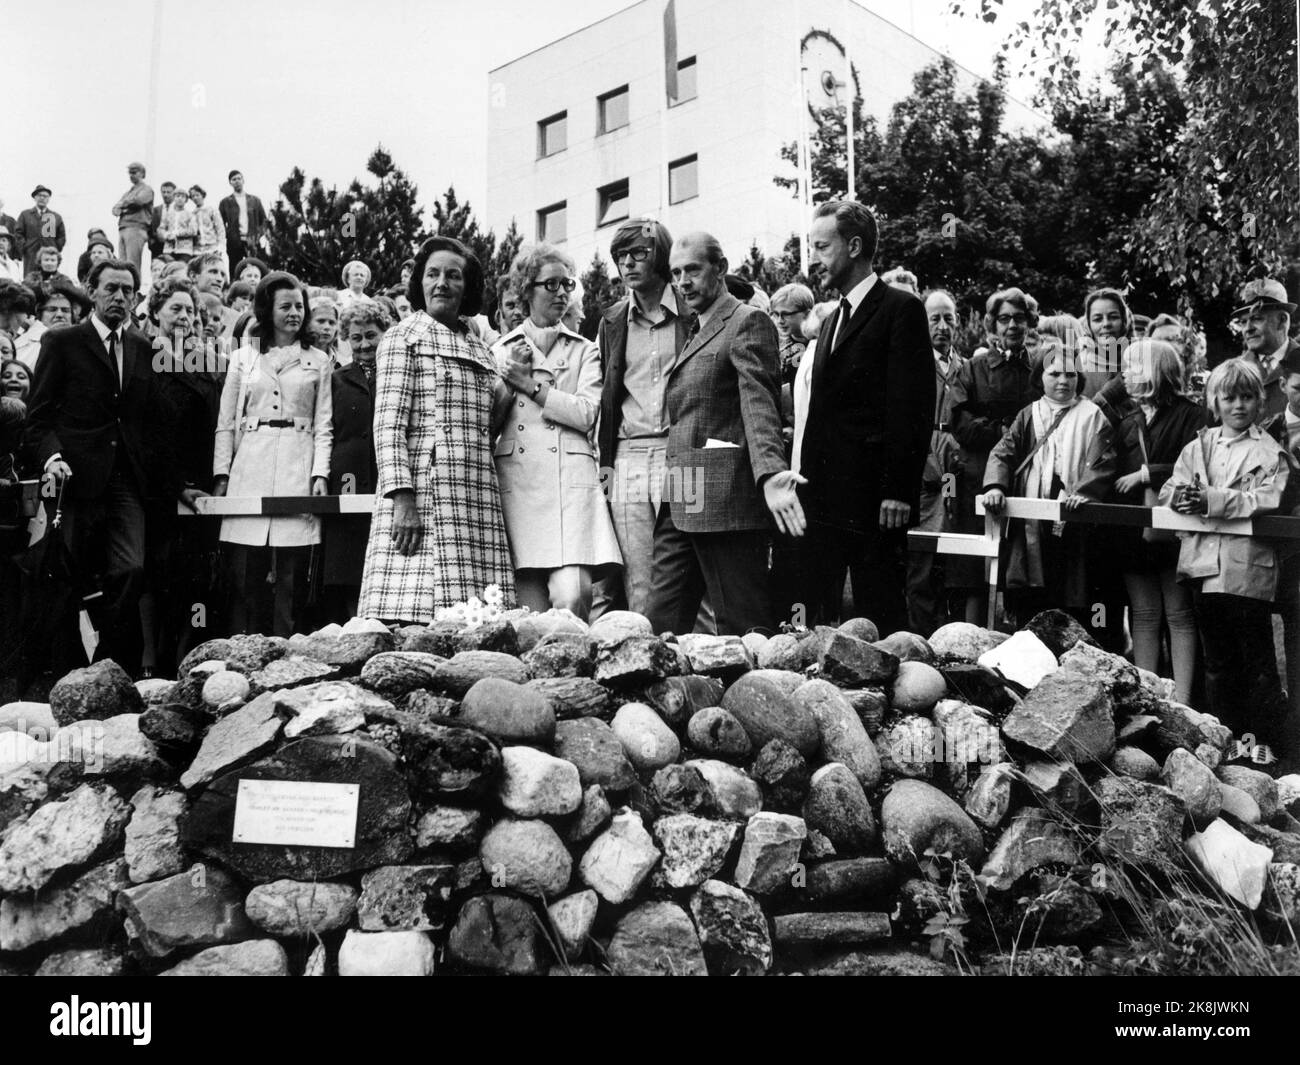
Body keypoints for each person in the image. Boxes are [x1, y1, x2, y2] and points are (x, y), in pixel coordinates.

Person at [24, 259, 202, 674]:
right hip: (75, 480)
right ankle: (61, 674)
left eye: (127, 290)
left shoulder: (144, 348)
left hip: (127, 482)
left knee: (130, 569)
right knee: (69, 577)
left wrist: (179, 485)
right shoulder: (62, 342)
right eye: (111, 289)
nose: (119, 297)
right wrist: (53, 458)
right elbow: (39, 417)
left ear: (137, 298)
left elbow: (156, 428)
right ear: (92, 291)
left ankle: (107, 667)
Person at [641, 231, 803, 636]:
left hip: (726, 502)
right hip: (679, 496)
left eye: (693, 270)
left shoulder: (748, 321)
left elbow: (758, 406)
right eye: (676, 273)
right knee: (660, 629)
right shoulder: (695, 328)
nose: (683, 281)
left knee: (745, 630)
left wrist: (769, 476)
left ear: (721, 268)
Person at [358, 236, 516, 622]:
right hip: (422, 496)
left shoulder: (481, 350)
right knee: (411, 621)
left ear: (468, 286)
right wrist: (402, 500)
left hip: (476, 492)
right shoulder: (402, 337)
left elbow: (487, 425)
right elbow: (388, 425)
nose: (441, 283)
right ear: (420, 283)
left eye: (453, 275)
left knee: (478, 623)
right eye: (432, 274)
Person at [800, 201, 933, 634]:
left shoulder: (901, 309)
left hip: (877, 503)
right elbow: (821, 414)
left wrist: (897, 490)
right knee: (822, 620)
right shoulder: (831, 320)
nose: (813, 259)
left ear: (854, 246)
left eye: (821, 246)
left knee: (881, 618)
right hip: (823, 500)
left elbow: (911, 407)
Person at [1161, 359, 1293, 768]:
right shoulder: (1198, 446)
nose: (1239, 405)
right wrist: (1181, 496)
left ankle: (1264, 745)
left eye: (1248, 396)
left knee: (1257, 664)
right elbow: (1171, 487)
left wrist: (1211, 501)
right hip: (1203, 567)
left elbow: (1265, 501)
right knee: (1217, 664)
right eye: (1229, 397)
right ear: (1214, 401)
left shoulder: (1270, 452)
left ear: (1260, 400)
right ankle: (1227, 741)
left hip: (1247, 569)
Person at [490, 245, 620, 618]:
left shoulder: (585, 350)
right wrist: (507, 382)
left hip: (569, 481)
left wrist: (532, 386)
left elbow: (586, 413)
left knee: (573, 594)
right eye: (551, 285)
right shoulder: (501, 350)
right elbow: (489, 424)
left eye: (568, 283)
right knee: (525, 608)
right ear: (526, 291)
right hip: (520, 484)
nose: (563, 293)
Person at [212, 272, 331, 637]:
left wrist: (320, 474)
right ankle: (245, 648)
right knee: (247, 567)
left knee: (292, 571)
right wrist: (221, 475)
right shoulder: (243, 358)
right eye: (285, 306)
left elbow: (324, 422)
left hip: (298, 462)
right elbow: (226, 422)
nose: (294, 313)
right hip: (250, 464)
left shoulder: (319, 360)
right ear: (267, 310)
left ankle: (289, 649)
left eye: (299, 306)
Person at [595, 218, 693, 616]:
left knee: (689, 567)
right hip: (629, 455)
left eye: (640, 253)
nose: (629, 263)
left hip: (683, 452)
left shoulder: (690, 310)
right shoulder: (612, 320)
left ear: (661, 255)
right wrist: (606, 464)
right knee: (638, 576)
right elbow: (607, 393)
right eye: (621, 256)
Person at [982, 341, 1117, 626]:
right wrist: (996, 486)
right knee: (1030, 592)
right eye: (1054, 374)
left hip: (1072, 517)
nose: (1063, 381)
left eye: (1070, 374)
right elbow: (1002, 452)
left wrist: (1084, 493)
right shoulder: (1029, 414)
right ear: (1040, 377)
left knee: (1070, 590)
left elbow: (1104, 461)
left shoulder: (1092, 415)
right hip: (1030, 520)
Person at [1110, 340, 1210, 704]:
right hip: (1134, 535)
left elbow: (1199, 465)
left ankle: (1182, 703)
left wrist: (1146, 474)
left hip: (1177, 532)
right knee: (1145, 614)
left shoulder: (1193, 415)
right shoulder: (1127, 419)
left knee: (1180, 615)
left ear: (1156, 371)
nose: (1125, 373)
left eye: (1133, 366)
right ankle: (1147, 698)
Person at [144, 276, 225, 672]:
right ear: (156, 311)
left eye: (190, 310)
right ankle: (153, 665)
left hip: (203, 485)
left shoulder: (205, 362)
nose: (184, 317)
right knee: (160, 578)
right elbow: (146, 433)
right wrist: (177, 485)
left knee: (197, 579)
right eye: (175, 308)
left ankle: (187, 661)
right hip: (160, 487)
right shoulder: (143, 357)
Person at [949, 286, 1043, 624]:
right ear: (993, 324)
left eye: (1019, 318)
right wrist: (1003, 431)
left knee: (1022, 567)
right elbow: (959, 422)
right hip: (978, 478)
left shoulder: (1039, 369)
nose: (1012, 326)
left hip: (1027, 478)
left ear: (1030, 322)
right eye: (1004, 319)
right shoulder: (973, 369)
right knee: (977, 569)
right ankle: (972, 644)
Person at [906, 288, 968, 635]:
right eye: (935, 319)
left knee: (955, 559)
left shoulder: (966, 366)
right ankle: (920, 639)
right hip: (926, 465)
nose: (943, 326)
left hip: (955, 466)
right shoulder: (911, 361)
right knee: (922, 561)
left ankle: (953, 637)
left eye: (949, 318)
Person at [323, 299, 388, 620]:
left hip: (384, 471)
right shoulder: (337, 379)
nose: (364, 345)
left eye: (371, 336)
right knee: (348, 556)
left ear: (385, 334)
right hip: (346, 474)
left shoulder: (394, 373)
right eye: (356, 338)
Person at [1232, 277, 1296, 421]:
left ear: (1282, 321)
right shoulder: (1231, 373)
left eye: (1257, 318)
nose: (1247, 329)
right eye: (1243, 322)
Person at [219, 171, 268, 269]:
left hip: (252, 241)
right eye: (234, 179)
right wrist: (228, 235)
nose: (237, 181)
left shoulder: (255, 200)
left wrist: (257, 235)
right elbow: (220, 224)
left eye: (239, 178)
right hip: (234, 241)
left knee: (256, 268)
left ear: (243, 180)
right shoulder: (225, 202)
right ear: (230, 183)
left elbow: (264, 221)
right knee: (235, 268)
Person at [111, 163, 155, 272]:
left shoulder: (146, 189)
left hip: (136, 228)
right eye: (130, 173)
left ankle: (134, 288)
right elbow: (115, 209)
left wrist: (124, 206)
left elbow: (138, 202)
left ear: (142, 173)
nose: (132, 175)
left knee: (132, 264)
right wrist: (125, 205)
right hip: (123, 227)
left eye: (134, 172)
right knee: (122, 264)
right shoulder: (128, 192)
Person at [15, 185, 66, 277]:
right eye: (39, 195)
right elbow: (18, 234)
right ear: (34, 197)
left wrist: (54, 249)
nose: (42, 198)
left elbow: (61, 236)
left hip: (49, 257)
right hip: (31, 255)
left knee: (49, 280)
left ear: (49, 199)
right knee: (30, 281)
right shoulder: (25, 215)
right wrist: (25, 248)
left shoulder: (55, 217)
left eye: (45, 196)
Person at [769, 282, 813, 388]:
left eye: (786, 314)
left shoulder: (820, 341)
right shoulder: (777, 347)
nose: (780, 321)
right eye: (776, 314)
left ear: (807, 314)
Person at [159, 186, 198, 262]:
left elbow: (193, 230)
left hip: (184, 249)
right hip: (169, 248)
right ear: (174, 198)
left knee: (182, 270)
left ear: (186, 200)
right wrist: (166, 235)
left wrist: (178, 233)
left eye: (183, 197)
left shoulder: (190, 214)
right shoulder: (168, 214)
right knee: (169, 269)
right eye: (177, 196)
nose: (180, 198)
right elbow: (161, 228)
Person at [189, 185, 226, 259]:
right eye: (193, 196)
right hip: (197, 249)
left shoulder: (211, 210)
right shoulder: (192, 214)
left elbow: (220, 229)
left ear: (202, 195)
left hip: (212, 247)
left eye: (197, 195)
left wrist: (220, 247)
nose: (195, 198)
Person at [148, 181, 177, 262]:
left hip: (174, 248)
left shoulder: (180, 210)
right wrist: (152, 243)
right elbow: (150, 229)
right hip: (157, 248)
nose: (165, 195)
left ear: (174, 193)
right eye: (163, 192)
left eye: (168, 192)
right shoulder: (155, 210)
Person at [308, 298, 341, 363]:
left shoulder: (342, 363)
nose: (327, 327)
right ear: (307, 323)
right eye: (321, 321)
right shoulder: (293, 359)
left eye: (331, 322)